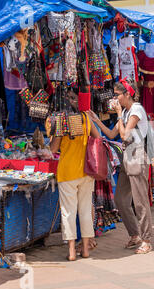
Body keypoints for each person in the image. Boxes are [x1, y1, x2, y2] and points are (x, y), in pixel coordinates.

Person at [87, 78, 153, 254]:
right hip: (127, 157)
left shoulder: (136, 110)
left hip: (137, 155)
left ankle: (146, 239)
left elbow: (124, 136)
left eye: (117, 95)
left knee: (140, 202)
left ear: (127, 94)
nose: (115, 99)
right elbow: (110, 133)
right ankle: (135, 235)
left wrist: (117, 114)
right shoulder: (125, 112)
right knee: (121, 200)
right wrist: (95, 120)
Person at [50, 101, 101, 261]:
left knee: (68, 212)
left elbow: (52, 149)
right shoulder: (86, 118)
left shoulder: (61, 122)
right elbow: (98, 137)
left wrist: (53, 137)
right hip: (86, 171)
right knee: (85, 210)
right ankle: (85, 249)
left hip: (67, 172)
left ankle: (72, 251)